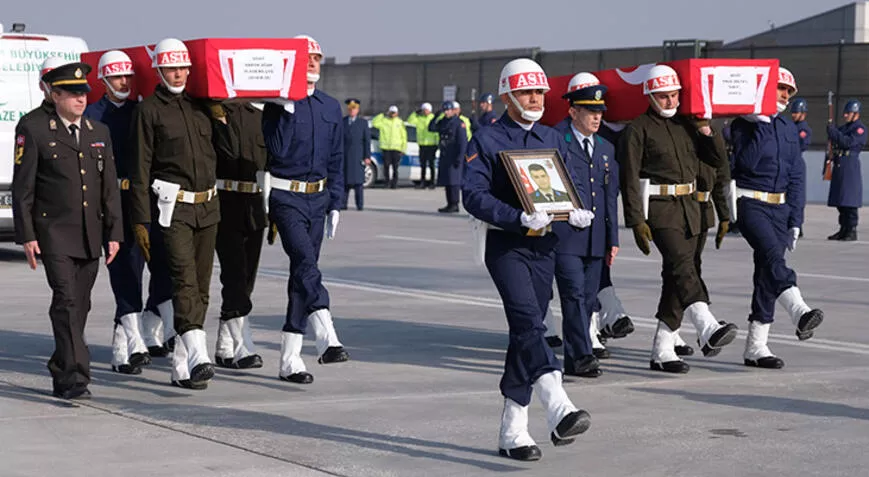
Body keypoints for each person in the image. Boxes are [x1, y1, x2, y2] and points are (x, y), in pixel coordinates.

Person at [463, 58, 591, 462]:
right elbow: (473, 195)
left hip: (545, 245)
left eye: (539, 92)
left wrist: (576, 210)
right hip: (506, 245)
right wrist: (515, 216)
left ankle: (512, 431)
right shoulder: (486, 139)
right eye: (526, 92)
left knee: (525, 332)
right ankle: (558, 404)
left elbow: (569, 184)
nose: (535, 99)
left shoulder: (552, 137)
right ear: (507, 96)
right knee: (528, 321)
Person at [619, 65, 739, 374]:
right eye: (664, 96)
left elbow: (717, 161)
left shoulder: (688, 124)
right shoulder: (638, 129)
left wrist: (706, 130)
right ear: (650, 95)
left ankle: (662, 348)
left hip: (692, 208)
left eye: (675, 95)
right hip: (660, 209)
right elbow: (629, 177)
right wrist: (636, 220)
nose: (671, 101)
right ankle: (706, 324)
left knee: (680, 274)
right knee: (682, 266)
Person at [12, 62, 122, 399]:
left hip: (90, 234)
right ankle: (76, 377)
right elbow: (23, 187)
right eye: (72, 93)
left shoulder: (97, 132)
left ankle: (61, 365)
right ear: (54, 94)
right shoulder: (34, 128)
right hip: (54, 232)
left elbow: (109, 188)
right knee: (67, 299)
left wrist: (114, 232)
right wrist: (27, 235)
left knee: (81, 305)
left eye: (83, 92)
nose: (81, 99)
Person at [130, 38, 234, 390]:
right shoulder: (148, 111)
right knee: (184, 280)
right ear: (159, 70)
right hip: (172, 208)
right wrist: (140, 219)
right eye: (171, 68)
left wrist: (222, 116)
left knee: (202, 287)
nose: (178, 74)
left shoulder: (202, 106)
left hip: (208, 207)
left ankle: (181, 366)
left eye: (182, 68)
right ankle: (199, 356)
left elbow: (229, 153)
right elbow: (140, 168)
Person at [261, 34, 349, 385]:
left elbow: (337, 158)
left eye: (316, 57)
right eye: (306, 57)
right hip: (286, 198)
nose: (312, 62)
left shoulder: (330, 107)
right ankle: (327, 334)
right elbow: (278, 151)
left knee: (302, 273)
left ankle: (290, 360)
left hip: (319, 199)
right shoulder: (276, 105)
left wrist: (336, 202)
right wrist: (285, 109)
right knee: (306, 262)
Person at [729, 67, 824, 368]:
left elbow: (796, 175)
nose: (784, 95)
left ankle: (756, 347)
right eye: (779, 88)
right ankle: (799, 310)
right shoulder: (744, 124)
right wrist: (760, 124)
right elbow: (746, 163)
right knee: (772, 257)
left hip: (779, 209)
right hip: (749, 202)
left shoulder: (788, 127)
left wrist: (796, 219)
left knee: (766, 273)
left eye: (788, 91)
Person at [85, 50, 172, 374]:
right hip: (112, 203)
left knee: (164, 268)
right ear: (103, 79)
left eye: (127, 76)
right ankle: (125, 347)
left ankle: (144, 329)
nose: (124, 82)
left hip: (145, 200)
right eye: (117, 77)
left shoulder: (141, 111)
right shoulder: (91, 115)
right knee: (126, 274)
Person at [551, 79, 619, 378]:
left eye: (600, 112)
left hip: (596, 238)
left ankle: (576, 355)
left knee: (589, 299)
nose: (597, 117)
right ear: (573, 112)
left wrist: (613, 239)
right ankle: (581, 355)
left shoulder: (605, 148)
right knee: (574, 296)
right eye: (591, 112)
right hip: (566, 236)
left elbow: (609, 196)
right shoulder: (556, 139)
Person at [212, 101, 268, 370]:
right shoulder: (216, 112)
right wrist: (220, 122)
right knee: (234, 275)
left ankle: (224, 346)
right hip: (225, 205)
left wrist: (275, 210)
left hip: (255, 207)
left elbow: (271, 162)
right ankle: (242, 345)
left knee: (247, 280)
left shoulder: (263, 116)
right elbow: (229, 152)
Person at [826, 99, 866, 241]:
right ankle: (843, 228)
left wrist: (834, 133)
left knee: (850, 200)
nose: (845, 115)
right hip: (839, 164)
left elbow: (848, 142)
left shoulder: (859, 129)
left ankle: (851, 229)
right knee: (840, 200)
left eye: (848, 113)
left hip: (850, 165)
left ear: (856, 114)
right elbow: (835, 142)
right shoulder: (843, 128)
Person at [429, 100, 468, 213]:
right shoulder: (443, 122)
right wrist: (435, 117)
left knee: (454, 181)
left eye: (448, 110)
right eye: (445, 110)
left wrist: (459, 158)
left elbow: (462, 142)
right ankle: (449, 203)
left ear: (453, 111)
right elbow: (431, 128)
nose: (446, 112)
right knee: (447, 180)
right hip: (445, 155)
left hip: (454, 155)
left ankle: (455, 203)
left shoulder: (459, 123)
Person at [341, 98, 371, 210]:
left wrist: (367, 156)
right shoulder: (343, 122)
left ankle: (359, 204)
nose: (352, 111)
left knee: (358, 182)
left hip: (358, 156)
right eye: (350, 109)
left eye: (354, 109)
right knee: (345, 182)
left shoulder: (362, 123)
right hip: (345, 156)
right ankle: (343, 204)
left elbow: (366, 141)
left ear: (357, 110)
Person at [370, 105, 407, 188]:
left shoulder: (400, 122)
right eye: (391, 112)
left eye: (394, 113)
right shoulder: (384, 121)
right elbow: (374, 123)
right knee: (386, 166)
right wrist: (381, 115)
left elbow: (404, 136)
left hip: (396, 149)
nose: (393, 114)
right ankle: (387, 183)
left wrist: (403, 148)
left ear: (397, 113)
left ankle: (394, 184)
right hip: (386, 148)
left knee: (395, 168)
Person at [790, 98, 810, 238]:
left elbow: (801, 145)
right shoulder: (790, 127)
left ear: (803, 114)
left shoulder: (804, 130)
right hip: (787, 163)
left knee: (797, 197)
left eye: (796, 112)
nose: (793, 115)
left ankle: (797, 225)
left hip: (796, 162)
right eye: (793, 112)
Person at [407, 102, 439, 188]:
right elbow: (410, 121)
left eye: (426, 110)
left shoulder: (433, 118)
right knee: (423, 164)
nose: (425, 111)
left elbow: (436, 132)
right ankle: (423, 182)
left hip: (432, 144)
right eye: (424, 110)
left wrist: (437, 144)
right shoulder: (419, 118)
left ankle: (432, 182)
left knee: (431, 164)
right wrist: (415, 113)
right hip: (422, 144)